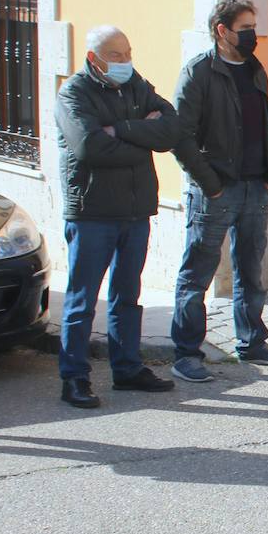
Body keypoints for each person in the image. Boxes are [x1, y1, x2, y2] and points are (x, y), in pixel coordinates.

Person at [53, 25, 181, 408]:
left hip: (135, 210)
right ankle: (74, 377)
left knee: (128, 295)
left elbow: (170, 129)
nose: (125, 62)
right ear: (94, 59)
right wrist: (143, 140)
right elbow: (91, 147)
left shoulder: (135, 85)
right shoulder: (73, 93)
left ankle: (127, 369)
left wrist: (122, 129)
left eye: (128, 53)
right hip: (92, 212)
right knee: (82, 299)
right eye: (116, 56)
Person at [169, 0, 268, 382]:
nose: (253, 34)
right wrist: (210, 184)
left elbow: (265, 125)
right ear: (222, 30)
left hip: (255, 187)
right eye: (245, 26)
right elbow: (180, 136)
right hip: (216, 191)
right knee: (198, 272)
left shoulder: (255, 70)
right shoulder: (198, 73)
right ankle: (187, 352)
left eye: (255, 25)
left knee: (251, 270)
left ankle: (252, 340)